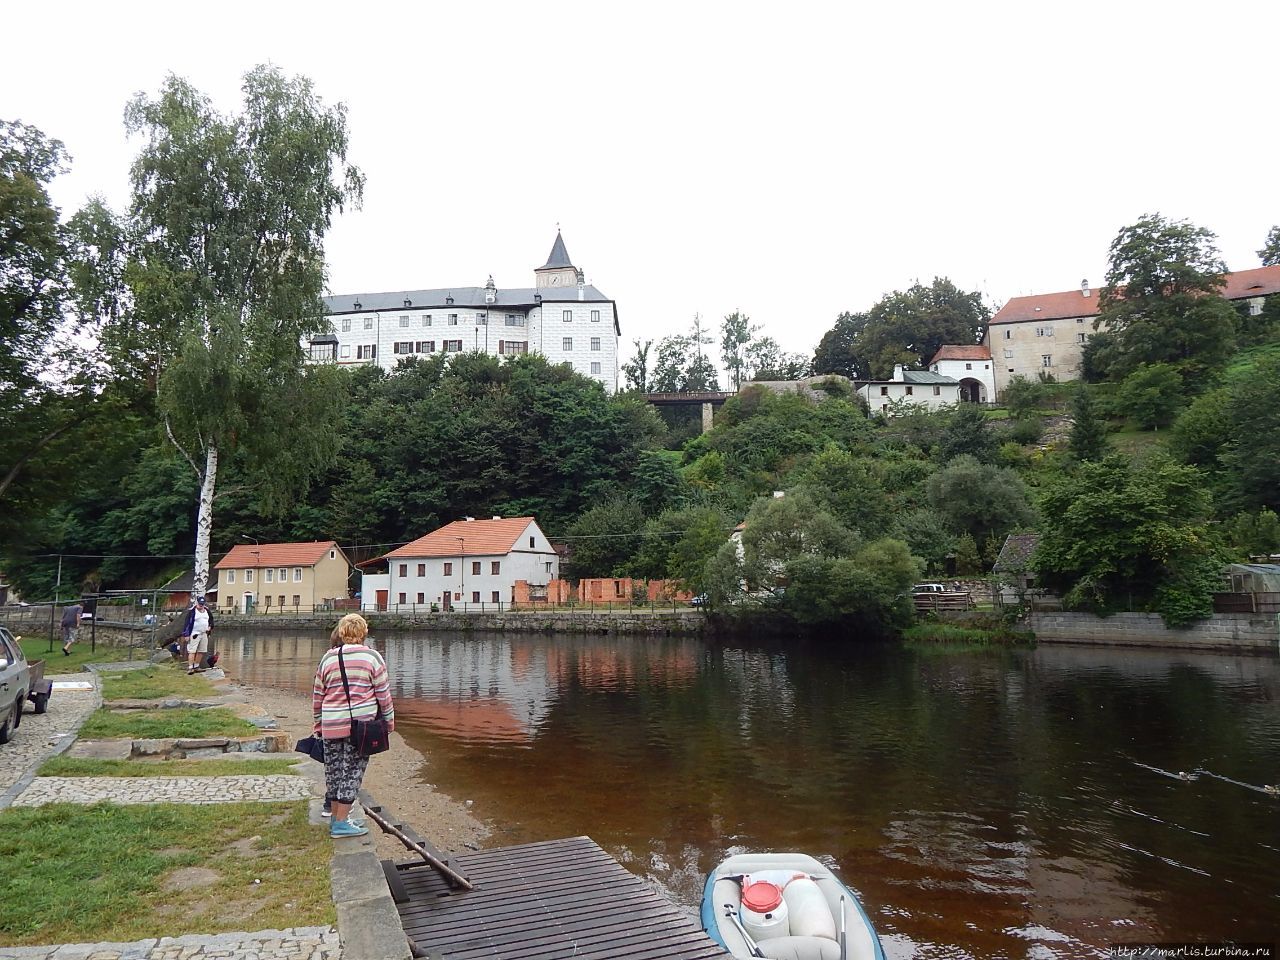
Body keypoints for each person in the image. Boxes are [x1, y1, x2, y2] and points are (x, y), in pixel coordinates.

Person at [312, 614, 395, 838]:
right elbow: (383, 695)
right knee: (352, 772)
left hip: (331, 723)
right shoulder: (372, 658)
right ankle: (340, 824)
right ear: (364, 633)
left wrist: (318, 721)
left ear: (340, 632)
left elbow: (318, 693)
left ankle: (337, 817)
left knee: (334, 771)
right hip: (360, 726)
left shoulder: (328, 659)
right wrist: (388, 721)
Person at [181, 596, 214, 675]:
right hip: (194, 633)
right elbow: (187, 624)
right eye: (200, 604)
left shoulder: (207, 611)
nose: (201, 605)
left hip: (204, 633)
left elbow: (211, 620)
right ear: (197, 603)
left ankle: (196, 666)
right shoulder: (192, 612)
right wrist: (186, 634)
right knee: (192, 651)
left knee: (201, 651)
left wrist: (210, 627)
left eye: (202, 604)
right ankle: (190, 667)